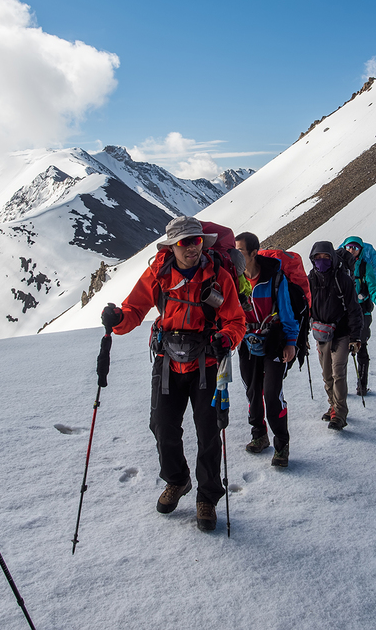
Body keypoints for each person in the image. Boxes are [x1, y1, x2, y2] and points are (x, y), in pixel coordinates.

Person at [101, 216, 245, 532]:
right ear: (172, 247)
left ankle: (207, 497)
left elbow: (236, 320)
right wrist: (117, 319)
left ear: (202, 242)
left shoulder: (219, 276)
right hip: (168, 361)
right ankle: (177, 480)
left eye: (195, 241)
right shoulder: (159, 274)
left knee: (209, 432)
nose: (191, 248)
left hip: (207, 363)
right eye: (184, 242)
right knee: (162, 426)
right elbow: (134, 310)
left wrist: (227, 338)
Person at [233, 232, 299, 467]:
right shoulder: (234, 279)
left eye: (240, 250)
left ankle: (281, 445)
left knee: (271, 396)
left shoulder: (275, 278)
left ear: (253, 253)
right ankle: (259, 436)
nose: (235, 254)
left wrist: (291, 342)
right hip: (247, 345)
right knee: (253, 393)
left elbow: (287, 312)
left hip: (274, 344)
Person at [307, 241, 364, 430]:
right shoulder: (311, 279)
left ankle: (340, 413)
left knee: (338, 372)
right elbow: (305, 307)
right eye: (318, 258)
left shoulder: (343, 280)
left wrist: (356, 337)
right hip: (321, 334)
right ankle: (332, 405)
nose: (322, 261)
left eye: (326, 257)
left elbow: (355, 310)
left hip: (342, 334)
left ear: (332, 258)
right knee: (327, 374)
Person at [339, 236, 376, 395]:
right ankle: (345, 386)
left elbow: (373, 286)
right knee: (342, 349)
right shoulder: (339, 266)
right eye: (349, 247)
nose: (351, 250)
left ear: (360, 250)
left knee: (360, 345)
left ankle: (362, 384)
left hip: (361, 312)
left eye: (355, 248)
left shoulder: (366, 267)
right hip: (346, 312)